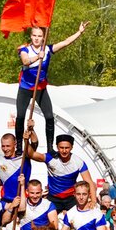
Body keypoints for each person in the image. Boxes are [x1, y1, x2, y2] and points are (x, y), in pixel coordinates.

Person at [14, 22, 88, 154]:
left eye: (40, 36)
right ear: (31, 37)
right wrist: (38, 57)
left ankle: (49, 147)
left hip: (40, 89)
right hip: (25, 88)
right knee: (20, 116)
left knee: (49, 117)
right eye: (34, 35)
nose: (37, 38)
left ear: (43, 38)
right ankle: (19, 147)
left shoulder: (47, 49)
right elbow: (25, 61)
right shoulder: (25, 49)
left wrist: (79, 32)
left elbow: (65, 43)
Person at [26, 131, 94, 212]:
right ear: (57, 147)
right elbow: (31, 154)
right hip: (53, 198)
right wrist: (26, 140)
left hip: (71, 199)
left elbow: (89, 182)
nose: (64, 151)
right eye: (61, 148)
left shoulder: (78, 162)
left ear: (71, 147)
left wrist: (93, 201)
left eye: (67, 148)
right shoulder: (50, 158)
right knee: (48, 223)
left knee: (77, 222)